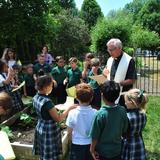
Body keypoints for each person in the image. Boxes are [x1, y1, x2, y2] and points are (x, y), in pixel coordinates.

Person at [32, 75, 76, 160]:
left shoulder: (35, 97)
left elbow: (43, 110)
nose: (52, 87)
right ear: (45, 87)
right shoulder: (48, 102)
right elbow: (58, 119)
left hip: (40, 125)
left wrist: (54, 107)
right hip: (49, 129)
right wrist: (69, 108)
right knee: (50, 153)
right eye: (51, 86)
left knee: (44, 150)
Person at [90, 80, 128, 160]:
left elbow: (95, 136)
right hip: (117, 150)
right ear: (118, 96)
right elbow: (125, 130)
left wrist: (92, 149)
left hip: (102, 152)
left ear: (102, 95)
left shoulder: (99, 114)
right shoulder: (122, 110)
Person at [66, 83, 97, 160]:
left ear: (76, 98)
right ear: (92, 98)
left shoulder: (72, 113)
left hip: (76, 144)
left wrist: (70, 143)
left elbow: (69, 132)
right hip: (91, 145)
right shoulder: (96, 113)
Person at [103, 38, 137, 105]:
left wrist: (117, 84)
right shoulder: (110, 59)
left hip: (123, 96)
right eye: (108, 49)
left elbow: (132, 80)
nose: (109, 52)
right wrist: (104, 73)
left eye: (111, 50)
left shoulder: (129, 60)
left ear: (119, 48)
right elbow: (107, 74)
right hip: (110, 95)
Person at [121, 89, 148, 160]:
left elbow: (124, 132)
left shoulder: (127, 117)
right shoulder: (144, 114)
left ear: (131, 102)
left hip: (129, 144)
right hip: (139, 142)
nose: (125, 103)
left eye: (126, 101)